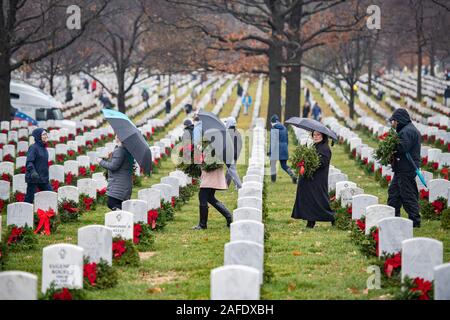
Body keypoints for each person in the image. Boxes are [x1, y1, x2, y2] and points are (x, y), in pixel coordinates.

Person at [291, 131, 335, 228]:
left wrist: (309, 163)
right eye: (314, 135)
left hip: (317, 180)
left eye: (318, 135)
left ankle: (332, 217)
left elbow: (322, 163)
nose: (316, 137)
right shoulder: (316, 146)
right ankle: (310, 221)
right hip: (310, 178)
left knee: (319, 200)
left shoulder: (325, 148)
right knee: (309, 199)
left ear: (323, 136)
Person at [387, 108, 421, 228]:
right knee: (394, 193)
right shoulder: (407, 129)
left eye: (394, 121)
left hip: (406, 168)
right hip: (402, 168)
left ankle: (415, 221)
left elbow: (403, 147)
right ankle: (393, 217)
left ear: (399, 120)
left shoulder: (407, 131)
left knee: (407, 194)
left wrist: (391, 145)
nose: (393, 124)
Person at [98, 137, 134, 210]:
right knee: (118, 204)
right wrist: (111, 157)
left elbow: (113, 166)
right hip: (125, 184)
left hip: (118, 184)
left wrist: (100, 161)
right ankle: (125, 218)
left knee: (111, 203)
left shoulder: (120, 150)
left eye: (117, 135)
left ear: (119, 138)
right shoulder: (127, 150)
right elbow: (120, 163)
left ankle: (128, 216)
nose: (115, 136)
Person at [193, 161, 232, 230]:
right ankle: (228, 216)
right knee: (210, 197)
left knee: (202, 196)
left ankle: (202, 225)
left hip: (210, 169)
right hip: (211, 169)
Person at [25, 128, 52, 203]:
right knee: (29, 199)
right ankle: (23, 213)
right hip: (34, 178)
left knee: (51, 195)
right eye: (44, 134)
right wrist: (33, 171)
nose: (46, 136)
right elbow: (29, 162)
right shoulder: (33, 148)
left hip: (43, 178)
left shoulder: (44, 148)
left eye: (46, 134)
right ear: (38, 136)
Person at [268, 115, 297, 184]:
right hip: (284, 148)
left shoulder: (274, 129)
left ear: (272, 122)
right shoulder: (284, 128)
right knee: (284, 165)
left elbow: (273, 142)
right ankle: (293, 175)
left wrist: (270, 152)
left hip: (276, 149)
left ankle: (273, 181)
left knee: (272, 164)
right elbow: (287, 140)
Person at [225, 117, 242, 189]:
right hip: (236, 154)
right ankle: (225, 184)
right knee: (230, 169)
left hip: (230, 154)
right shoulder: (237, 132)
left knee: (232, 170)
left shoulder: (228, 132)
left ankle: (239, 185)